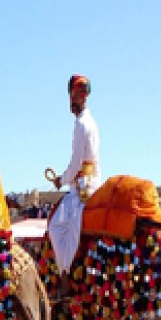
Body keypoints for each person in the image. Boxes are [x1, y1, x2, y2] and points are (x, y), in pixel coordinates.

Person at [46, 75, 100, 291]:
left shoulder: (81, 125)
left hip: (82, 189)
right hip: (93, 182)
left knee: (55, 226)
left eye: (73, 95)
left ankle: (65, 273)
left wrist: (61, 180)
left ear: (75, 96)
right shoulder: (92, 122)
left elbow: (76, 163)